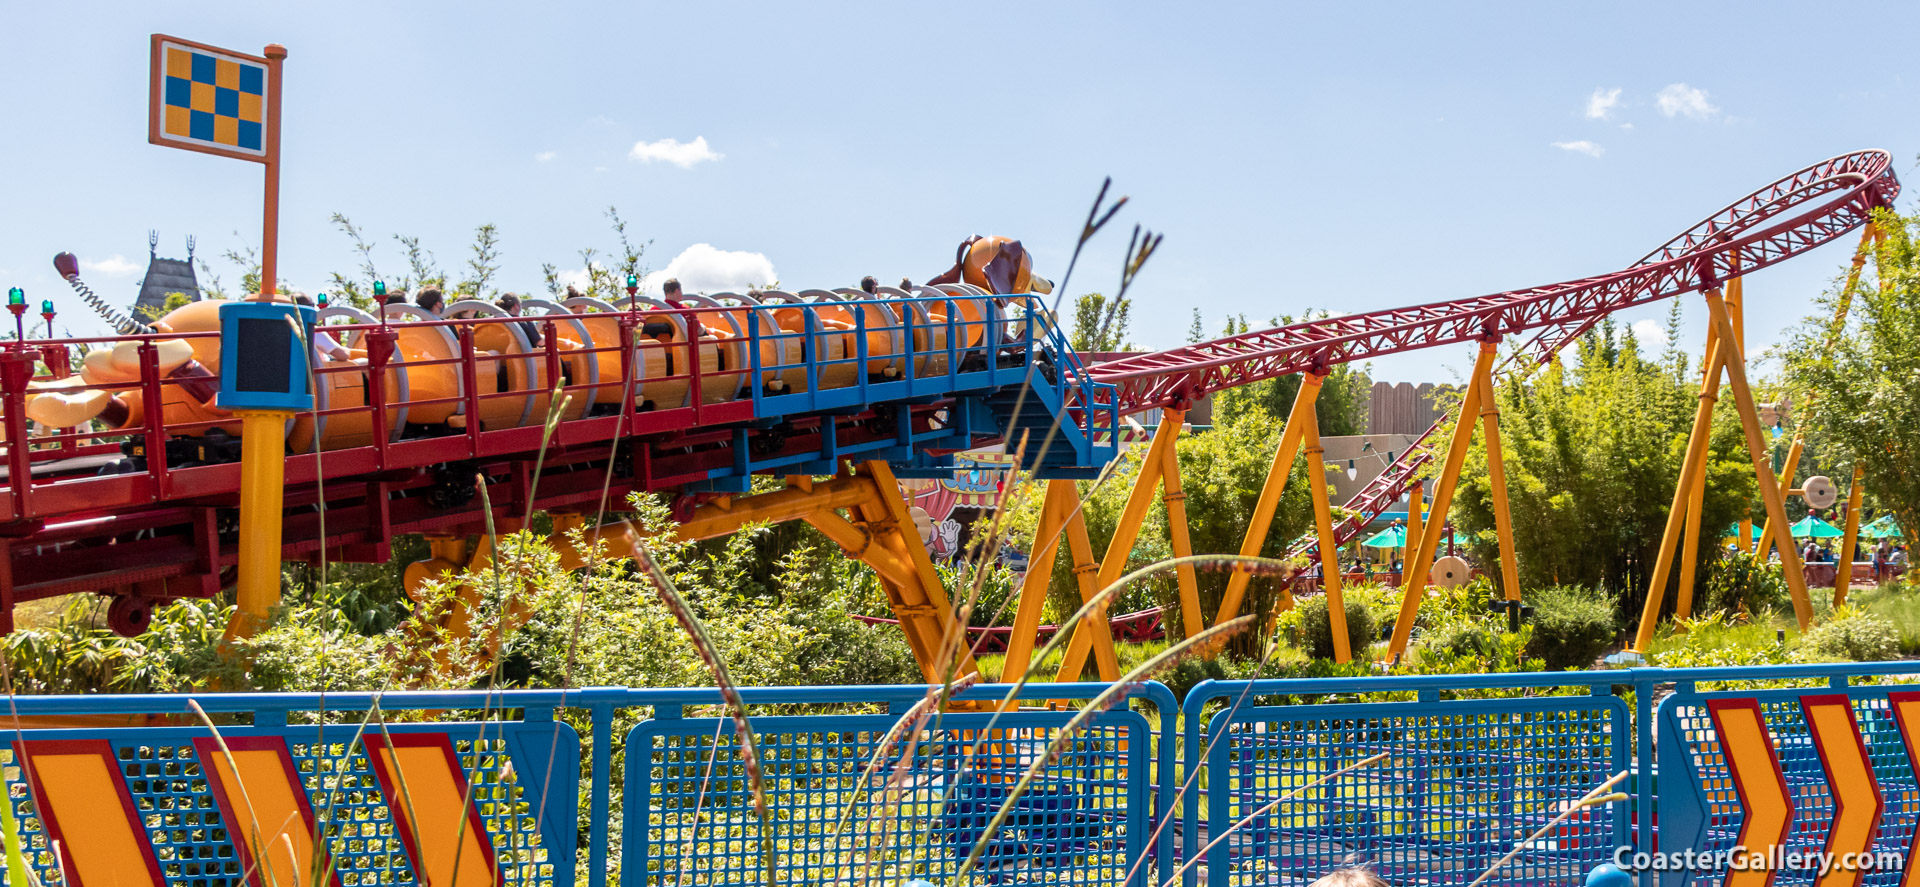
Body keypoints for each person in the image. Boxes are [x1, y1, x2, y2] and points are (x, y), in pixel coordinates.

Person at [293, 294, 352, 362]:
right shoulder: (315, 332)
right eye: (312, 305)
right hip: (325, 370)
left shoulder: (285, 332)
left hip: (302, 370)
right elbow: (343, 355)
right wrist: (347, 350)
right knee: (364, 361)